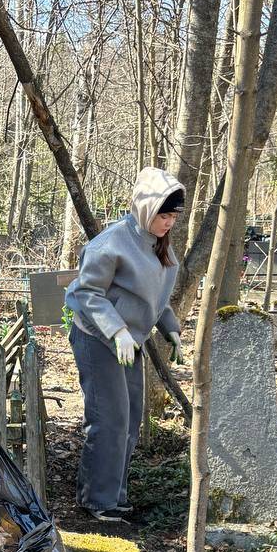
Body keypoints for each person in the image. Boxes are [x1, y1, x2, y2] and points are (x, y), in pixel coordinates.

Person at [64, 167, 185, 523]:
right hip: (97, 337)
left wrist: (170, 329)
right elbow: (88, 292)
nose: (169, 222)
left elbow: (154, 297)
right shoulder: (111, 243)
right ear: (146, 207)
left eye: (174, 216)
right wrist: (116, 331)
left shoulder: (159, 244)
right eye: (163, 214)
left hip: (130, 342)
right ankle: (96, 500)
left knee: (130, 418)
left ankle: (114, 494)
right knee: (109, 418)